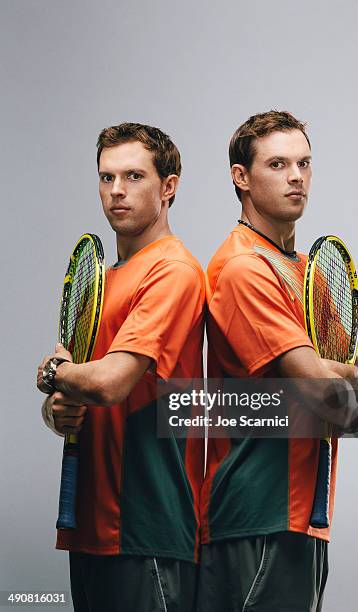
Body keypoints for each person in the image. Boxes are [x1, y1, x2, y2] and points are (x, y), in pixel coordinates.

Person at [198, 110, 358, 611]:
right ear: (241, 178)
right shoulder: (242, 268)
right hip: (257, 514)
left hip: (305, 517)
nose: (297, 176)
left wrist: (339, 382)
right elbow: (329, 391)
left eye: (304, 163)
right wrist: (337, 383)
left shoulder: (306, 273)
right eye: (278, 164)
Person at [37, 123, 205, 612]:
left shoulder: (172, 271)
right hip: (90, 527)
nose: (116, 191)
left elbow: (109, 383)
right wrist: (56, 409)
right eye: (106, 177)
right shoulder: (103, 280)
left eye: (133, 176)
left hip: (146, 529)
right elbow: (73, 391)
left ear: (168, 187)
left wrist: (51, 373)